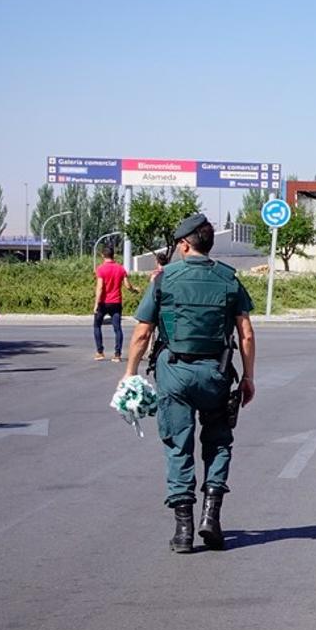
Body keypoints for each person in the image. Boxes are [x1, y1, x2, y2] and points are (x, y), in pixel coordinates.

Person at [123, 214, 256, 554]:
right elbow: (246, 333)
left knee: (178, 446)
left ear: (184, 244)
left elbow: (142, 332)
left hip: (175, 373)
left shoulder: (164, 280)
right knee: (218, 443)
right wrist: (249, 378)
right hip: (216, 373)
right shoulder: (229, 280)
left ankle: (183, 532)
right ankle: (211, 517)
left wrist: (130, 373)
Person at [93, 246, 139, 362]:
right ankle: (117, 355)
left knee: (97, 326)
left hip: (103, 302)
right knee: (117, 328)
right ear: (113, 255)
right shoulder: (120, 269)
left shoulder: (101, 269)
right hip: (116, 302)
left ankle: (100, 352)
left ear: (103, 255)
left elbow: (100, 287)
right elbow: (127, 286)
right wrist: (134, 290)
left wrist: (96, 303)